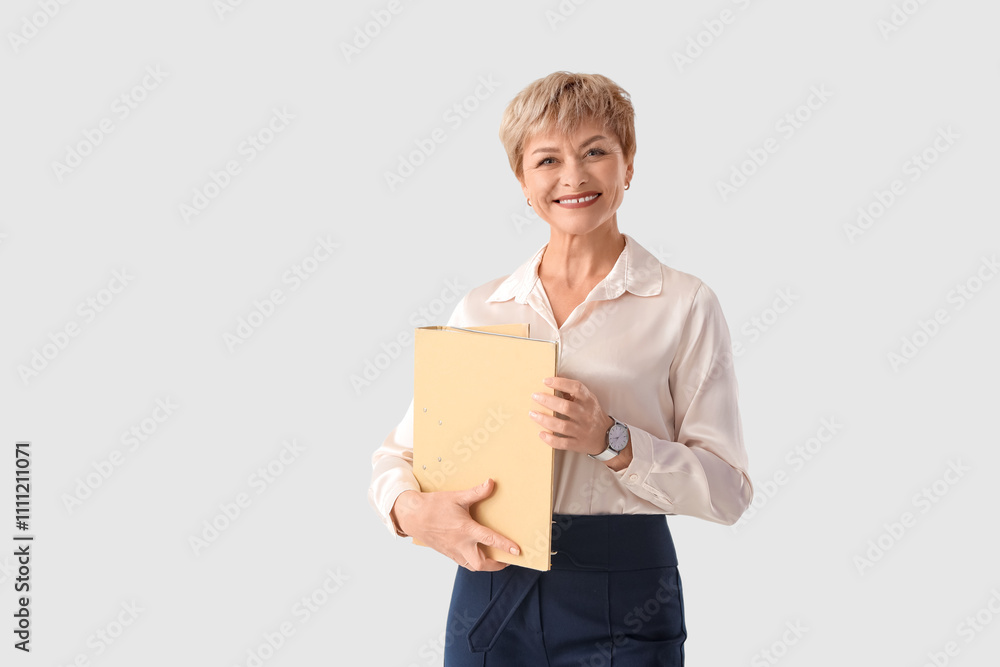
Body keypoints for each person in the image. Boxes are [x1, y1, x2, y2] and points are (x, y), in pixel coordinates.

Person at [368, 71, 754, 666]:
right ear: (523, 182)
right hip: (490, 592)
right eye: (547, 159)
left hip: (627, 595)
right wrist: (412, 513)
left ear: (628, 165)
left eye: (595, 151)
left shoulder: (684, 304)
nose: (573, 176)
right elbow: (398, 458)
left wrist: (613, 441)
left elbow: (729, 492)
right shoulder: (483, 309)